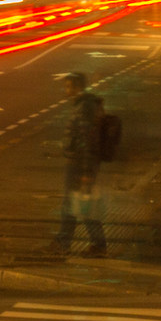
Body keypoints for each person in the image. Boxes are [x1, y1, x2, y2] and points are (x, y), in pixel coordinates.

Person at [51, 72, 107, 257]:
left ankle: (68, 243)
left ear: (78, 87)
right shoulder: (84, 105)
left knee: (77, 204)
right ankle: (91, 244)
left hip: (78, 165)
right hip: (79, 163)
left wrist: (85, 172)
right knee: (79, 203)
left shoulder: (84, 107)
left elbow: (86, 141)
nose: (66, 91)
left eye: (69, 86)